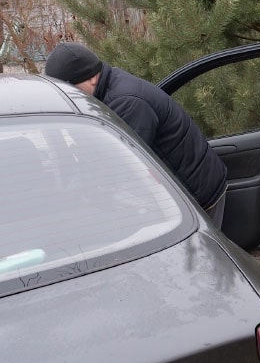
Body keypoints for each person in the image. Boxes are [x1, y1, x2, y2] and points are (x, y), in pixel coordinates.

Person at [44, 42, 228, 227]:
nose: (69, 95)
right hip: (185, 185)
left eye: (71, 88)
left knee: (200, 253)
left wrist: (90, 194)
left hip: (198, 195)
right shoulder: (109, 89)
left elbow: (124, 165)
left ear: (91, 78)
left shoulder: (127, 102)